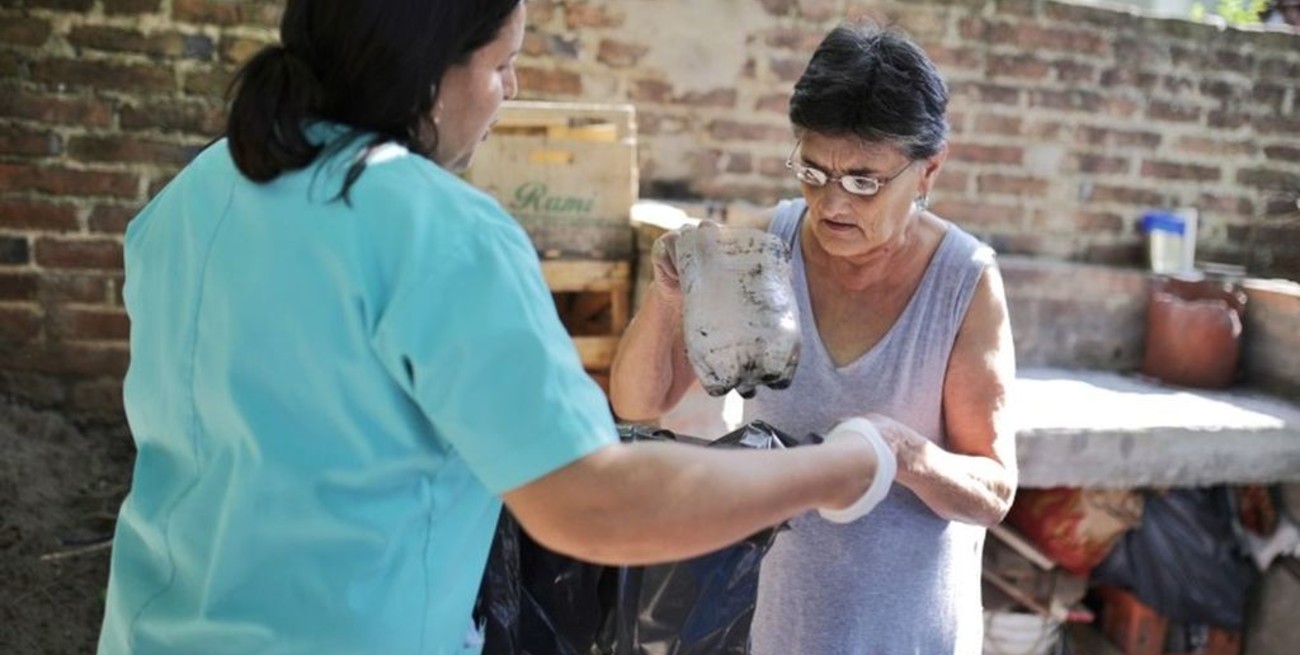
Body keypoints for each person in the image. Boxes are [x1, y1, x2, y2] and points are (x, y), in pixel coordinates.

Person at [95, 2, 891, 654]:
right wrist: (835, 469)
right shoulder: (440, 230)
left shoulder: (193, 194)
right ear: (428, 75)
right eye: (502, 63)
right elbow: (592, 503)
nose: (511, 88)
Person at [610, 20, 1019, 654]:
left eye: (863, 181)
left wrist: (901, 453)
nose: (831, 204)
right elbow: (639, 402)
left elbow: (993, 491)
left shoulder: (962, 282)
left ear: (929, 170)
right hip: (769, 625)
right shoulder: (765, 251)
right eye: (811, 170)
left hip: (905, 636)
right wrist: (667, 300)